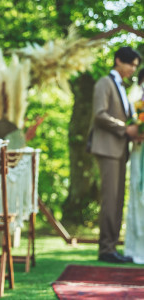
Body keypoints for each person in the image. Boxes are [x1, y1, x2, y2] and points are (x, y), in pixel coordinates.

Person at [88, 46, 141, 263]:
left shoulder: (121, 86)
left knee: (118, 199)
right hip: (107, 148)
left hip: (120, 150)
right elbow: (99, 114)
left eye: (135, 67)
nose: (132, 70)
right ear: (118, 61)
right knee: (110, 199)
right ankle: (106, 249)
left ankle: (111, 246)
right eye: (131, 65)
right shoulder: (104, 83)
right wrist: (125, 129)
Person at [124, 68, 144, 264]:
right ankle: (136, 247)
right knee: (139, 198)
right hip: (140, 151)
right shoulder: (136, 99)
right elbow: (131, 123)